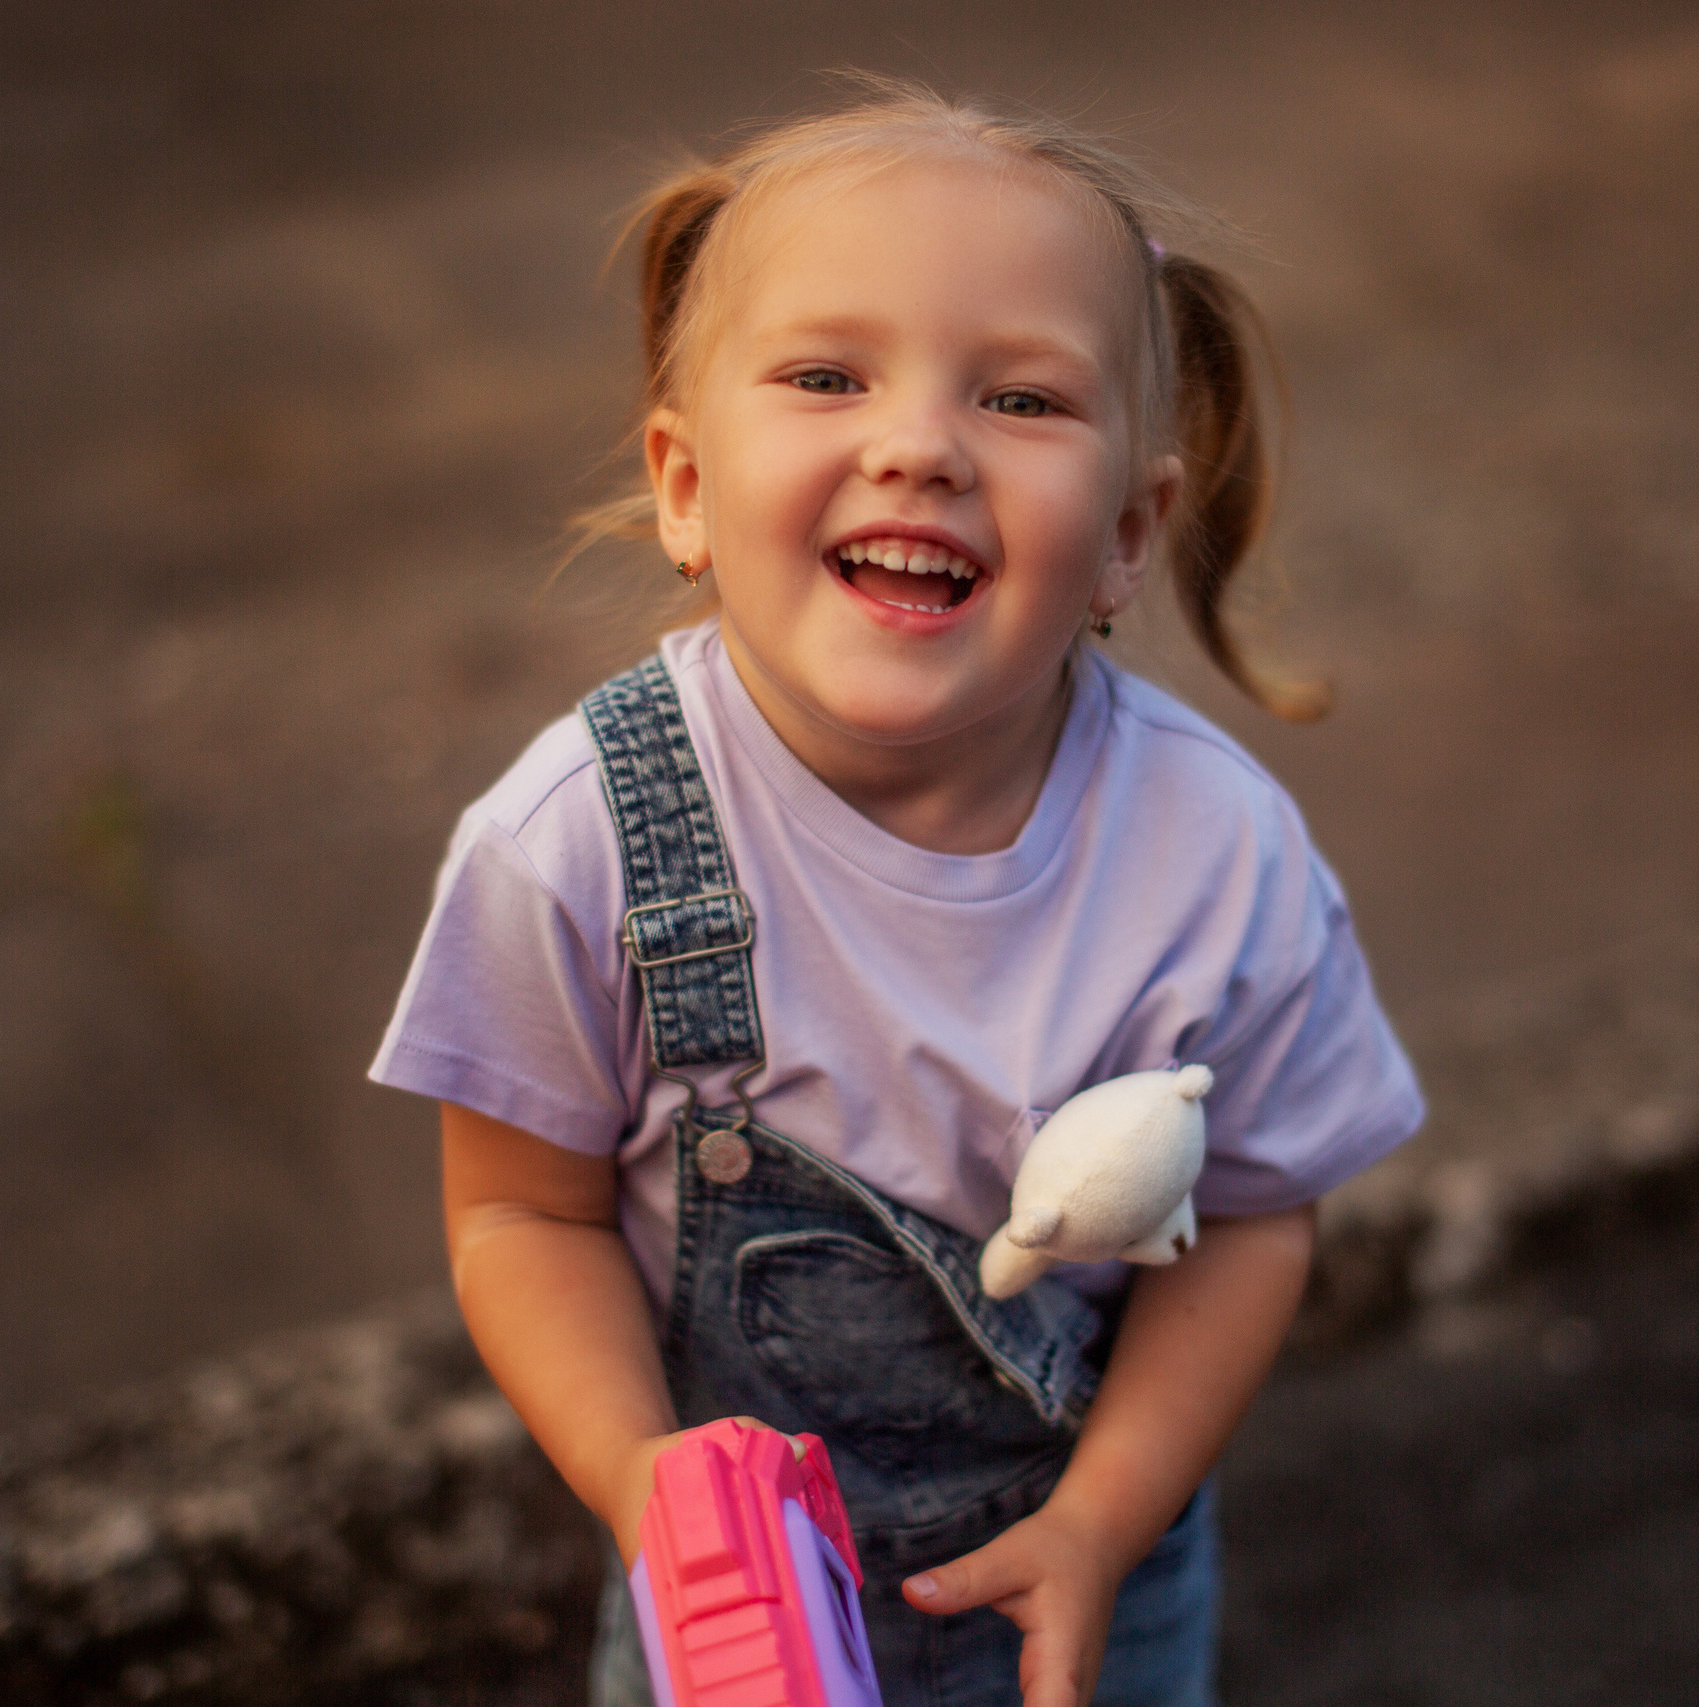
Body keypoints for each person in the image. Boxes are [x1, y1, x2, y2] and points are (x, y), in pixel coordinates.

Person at [370, 79, 1424, 1707]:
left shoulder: (1217, 856)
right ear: (686, 485)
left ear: (1130, 533)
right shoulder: (580, 844)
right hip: (736, 1619)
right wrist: (645, 1485)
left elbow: (1254, 1216)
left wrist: (1104, 1522)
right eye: (825, 377)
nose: (920, 444)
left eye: (1021, 398)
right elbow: (523, 1214)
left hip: (1099, 1595)